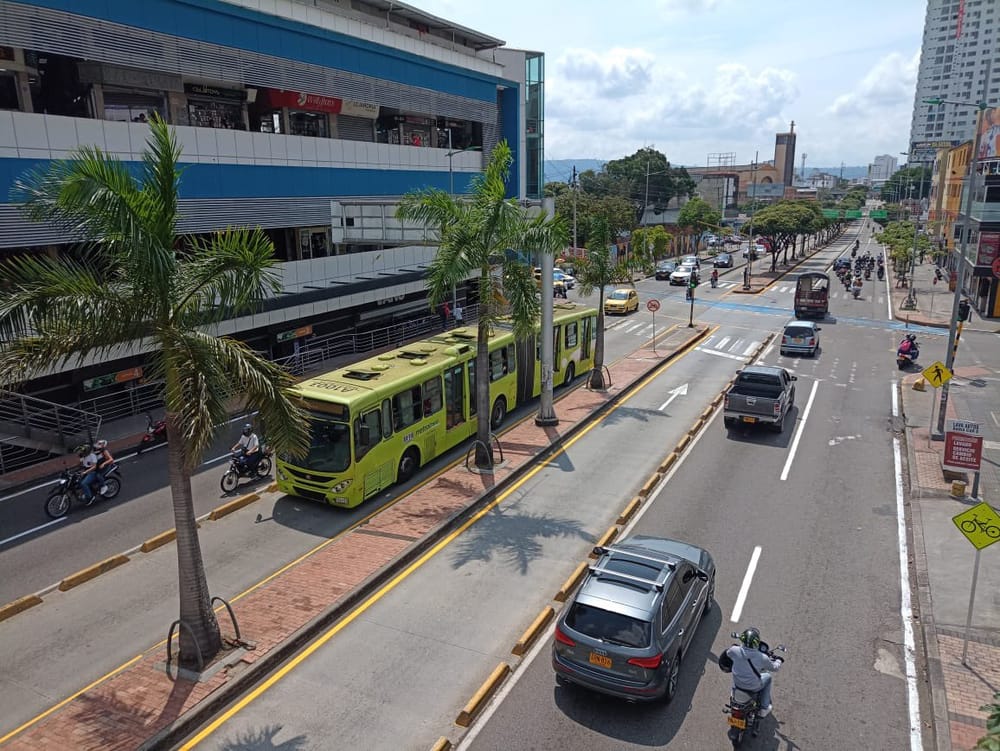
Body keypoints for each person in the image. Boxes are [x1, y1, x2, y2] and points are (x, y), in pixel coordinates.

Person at [726, 627, 782, 717]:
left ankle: (733, 694)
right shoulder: (762, 657)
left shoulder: (734, 650)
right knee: (768, 677)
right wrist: (779, 660)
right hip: (753, 686)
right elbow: (775, 668)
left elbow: (728, 654)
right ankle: (764, 708)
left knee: (736, 675)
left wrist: (736, 648)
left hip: (737, 684)